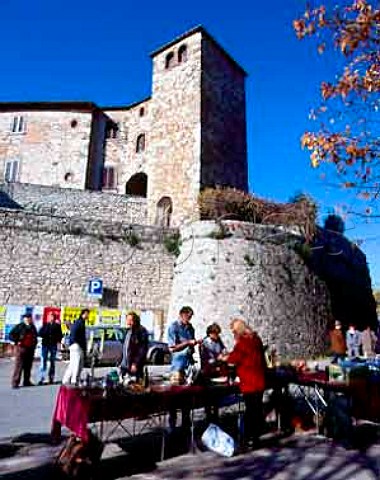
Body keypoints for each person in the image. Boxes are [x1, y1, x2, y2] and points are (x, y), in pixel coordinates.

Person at [220, 318, 267, 450]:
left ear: (238, 331)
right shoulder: (256, 339)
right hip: (259, 380)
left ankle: (249, 439)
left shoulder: (242, 343)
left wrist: (223, 358)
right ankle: (256, 439)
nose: (233, 334)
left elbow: (234, 359)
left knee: (251, 411)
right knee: (257, 410)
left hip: (249, 382)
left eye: (234, 332)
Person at [167, 306, 199, 431]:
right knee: (174, 398)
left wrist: (194, 344)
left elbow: (191, 346)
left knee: (187, 397)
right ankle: (172, 425)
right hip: (177, 366)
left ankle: (186, 424)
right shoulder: (173, 327)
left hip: (188, 366)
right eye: (188, 316)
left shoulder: (190, 328)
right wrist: (188, 343)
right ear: (182, 314)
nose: (190, 319)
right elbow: (172, 348)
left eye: (191, 317)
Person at [9, 313, 38, 389]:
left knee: (28, 366)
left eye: (29, 318)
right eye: (27, 318)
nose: (28, 319)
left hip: (30, 349)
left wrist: (34, 344)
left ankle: (26, 381)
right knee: (19, 366)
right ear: (24, 319)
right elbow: (11, 335)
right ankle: (15, 382)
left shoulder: (32, 326)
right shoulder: (20, 326)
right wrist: (17, 341)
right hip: (21, 348)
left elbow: (35, 336)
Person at [62, 309, 88, 385]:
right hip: (77, 346)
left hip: (76, 345)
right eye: (87, 314)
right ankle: (74, 380)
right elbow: (75, 334)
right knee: (77, 364)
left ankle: (66, 379)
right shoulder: (79, 322)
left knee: (73, 364)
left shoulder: (80, 322)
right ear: (83, 314)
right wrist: (76, 343)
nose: (87, 316)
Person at [120, 311, 149, 381]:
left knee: (135, 386)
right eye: (127, 320)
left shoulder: (141, 331)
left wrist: (136, 363)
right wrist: (120, 361)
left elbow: (142, 349)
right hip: (125, 365)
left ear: (135, 321)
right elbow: (125, 348)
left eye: (131, 320)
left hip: (134, 366)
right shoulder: (128, 331)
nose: (128, 322)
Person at [38, 312, 63, 385]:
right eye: (50, 316)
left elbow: (60, 336)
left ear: (54, 317)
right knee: (43, 362)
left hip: (53, 345)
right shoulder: (45, 325)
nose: (51, 318)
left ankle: (51, 378)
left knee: (52, 362)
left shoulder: (57, 326)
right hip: (45, 345)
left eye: (52, 316)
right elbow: (40, 333)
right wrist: (45, 334)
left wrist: (58, 343)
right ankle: (41, 378)